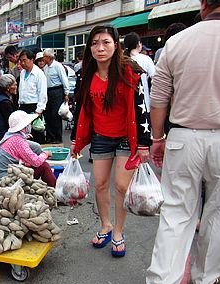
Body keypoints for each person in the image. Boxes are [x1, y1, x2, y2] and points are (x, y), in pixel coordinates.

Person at [145, 0, 220, 284]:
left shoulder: (178, 41)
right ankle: (204, 278)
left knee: (176, 212)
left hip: (183, 137)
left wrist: (157, 137)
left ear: (203, 5)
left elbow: (159, 95)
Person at [71, 25, 152, 257]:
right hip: (100, 138)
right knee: (101, 184)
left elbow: (141, 107)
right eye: (95, 43)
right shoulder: (84, 74)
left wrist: (145, 143)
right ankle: (105, 225)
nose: (100, 48)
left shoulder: (130, 72)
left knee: (121, 186)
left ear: (116, 45)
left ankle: (118, 230)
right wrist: (76, 142)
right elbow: (80, 109)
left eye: (106, 42)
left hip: (127, 138)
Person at [0, 110, 56, 187]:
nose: (30, 125)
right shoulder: (18, 141)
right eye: (28, 124)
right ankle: (55, 190)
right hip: (6, 180)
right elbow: (36, 161)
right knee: (43, 166)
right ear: (24, 126)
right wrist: (46, 154)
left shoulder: (10, 136)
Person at [17, 49, 48, 145]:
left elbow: (43, 93)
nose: (22, 63)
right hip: (23, 106)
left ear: (32, 60)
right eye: (21, 61)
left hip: (34, 107)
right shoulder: (22, 73)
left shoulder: (39, 74)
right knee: (25, 135)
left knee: (36, 133)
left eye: (24, 60)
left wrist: (39, 110)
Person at [42, 48, 70, 144]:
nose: (43, 59)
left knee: (55, 115)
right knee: (48, 114)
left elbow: (64, 79)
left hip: (57, 91)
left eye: (44, 56)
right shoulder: (45, 68)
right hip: (47, 91)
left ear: (49, 57)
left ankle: (57, 137)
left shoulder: (58, 66)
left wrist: (66, 93)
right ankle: (50, 136)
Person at [123, 32, 155, 112]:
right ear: (138, 44)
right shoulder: (146, 59)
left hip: (125, 100)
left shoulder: (122, 60)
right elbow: (154, 78)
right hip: (143, 99)